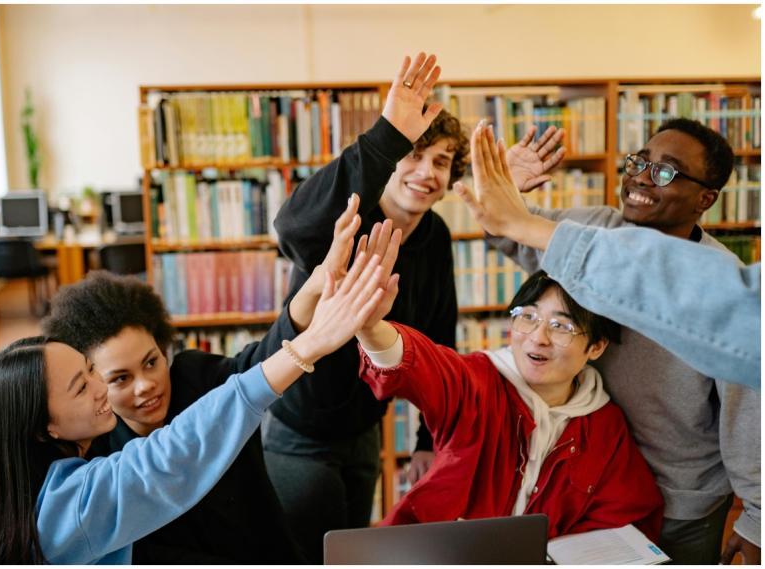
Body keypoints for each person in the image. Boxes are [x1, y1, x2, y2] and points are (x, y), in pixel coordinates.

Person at [264, 52, 563, 562]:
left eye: (442, 161)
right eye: (414, 155)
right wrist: (386, 135)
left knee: (349, 551)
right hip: (299, 429)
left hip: (363, 431)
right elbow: (290, 229)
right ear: (391, 158)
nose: (426, 172)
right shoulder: (347, 214)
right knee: (305, 554)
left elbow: (438, 340)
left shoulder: (436, 236)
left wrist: (428, 440)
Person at [0, 244, 391, 564]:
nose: (105, 389)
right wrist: (310, 344)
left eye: (89, 370)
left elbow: (250, 366)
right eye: (90, 385)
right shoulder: (84, 493)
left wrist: (303, 309)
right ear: (44, 427)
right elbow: (172, 455)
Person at [456, 120, 761, 564]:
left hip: (678, 500)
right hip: (587, 481)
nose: (640, 176)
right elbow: (515, 234)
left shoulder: (713, 282)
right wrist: (510, 194)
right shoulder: (595, 226)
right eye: (640, 161)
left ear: (705, 199)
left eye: (665, 172)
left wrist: (757, 519)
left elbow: (747, 416)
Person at [38, 195, 383, 564]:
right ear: (92, 382)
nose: (146, 385)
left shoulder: (193, 376)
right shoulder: (96, 453)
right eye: (120, 379)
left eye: (152, 362)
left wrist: (314, 288)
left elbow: (262, 361)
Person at [354, 266, 664, 540]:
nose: (537, 337)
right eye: (527, 317)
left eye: (560, 326)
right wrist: (372, 329)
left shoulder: (603, 424)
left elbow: (625, 517)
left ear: (596, 347)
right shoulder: (477, 380)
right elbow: (422, 364)